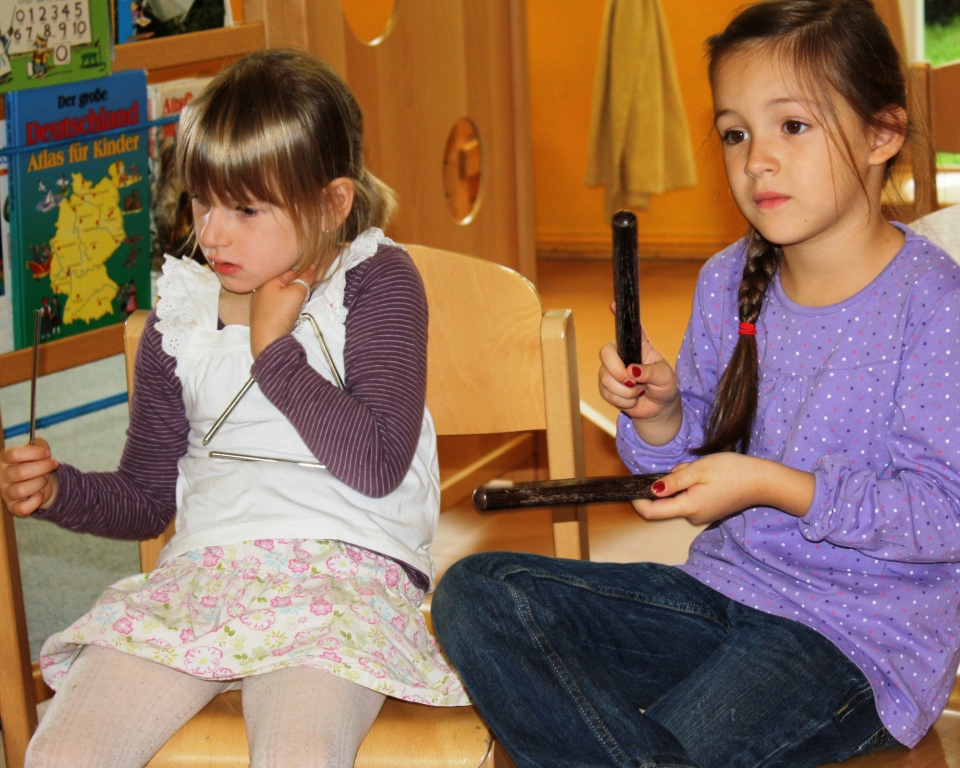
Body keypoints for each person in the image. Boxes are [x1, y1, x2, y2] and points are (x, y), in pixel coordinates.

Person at [431, 1, 960, 766]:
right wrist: (661, 414)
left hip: (854, 643)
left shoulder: (934, 303)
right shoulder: (727, 279)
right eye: (736, 134)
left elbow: (945, 516)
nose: (757, 161)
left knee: (655, 744)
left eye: (793, 126)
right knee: (478, 593)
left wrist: (772, 485)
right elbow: (677, 468)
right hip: (719, 594)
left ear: (883, 133)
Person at [1, 49, 466, 768]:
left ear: (333, 203)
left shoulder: (375, 280)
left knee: (296, 754)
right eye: (201, 201)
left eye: (245, 209)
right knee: (62, 753)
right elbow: (145, 499)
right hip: (203, 581)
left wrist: (273, 349)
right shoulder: (180, 315)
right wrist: (59, 489)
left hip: (344, 583)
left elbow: (377, 463)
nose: (212, 233)